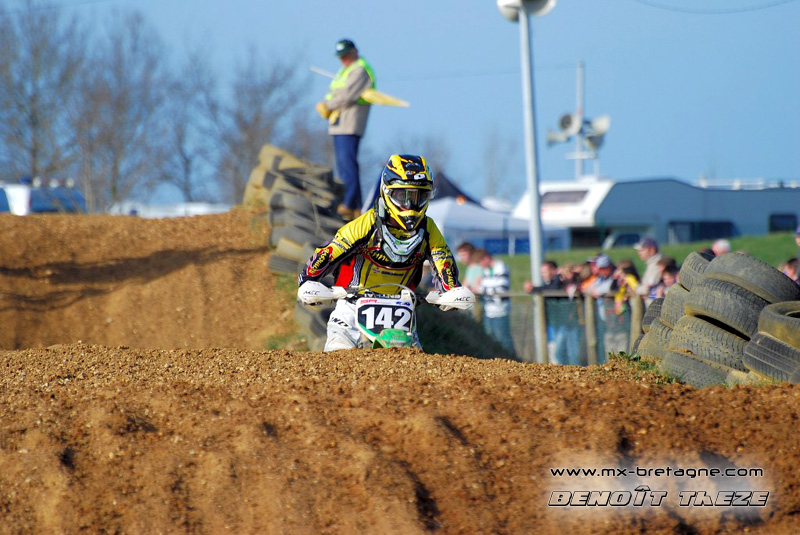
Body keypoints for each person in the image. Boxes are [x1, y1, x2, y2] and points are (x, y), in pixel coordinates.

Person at [297, 154, 471, 351]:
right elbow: (330, 251)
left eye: (419, 196)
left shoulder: (429, 230)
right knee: (338, 360)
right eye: (403, 196)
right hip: (352, 308)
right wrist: (308, 280)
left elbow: (444, 263)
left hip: (401, 313)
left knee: (413, 365)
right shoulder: (367, 224)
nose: (411, 205)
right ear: (387, 192)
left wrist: (451, 290)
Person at [315, 39, 376, 221]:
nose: (343, 60)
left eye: (345, 56)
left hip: (350, 124)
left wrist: (328, 105)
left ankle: (349, 203)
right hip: (340, 123)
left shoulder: (360, 71)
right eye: (340, 57)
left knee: (347, 164)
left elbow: (348, 95)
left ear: (354, 52)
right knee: (343, 165)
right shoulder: (346, 71)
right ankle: (355, 206)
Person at [473, 249, 515, 354]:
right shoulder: (486, 270)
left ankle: (510, 358)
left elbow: (501, 289)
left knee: (503, 338)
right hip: (489, 310)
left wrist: (479, 289)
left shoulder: (501, 267)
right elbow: (485, 286)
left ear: (486, 258)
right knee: (491, 339)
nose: (481, 266)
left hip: (500, 310)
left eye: (480, 263)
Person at [456, 241, 483, 321]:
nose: (461, 258)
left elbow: (476, 286)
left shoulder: (478, 267)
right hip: (471, 307)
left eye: (464, 255)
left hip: (478, 306)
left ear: (472, 253)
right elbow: (464, 285)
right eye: (460, 255)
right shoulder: (470, 268)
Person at [634, 237, 662, 304]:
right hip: (653, 302)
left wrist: (636, 289)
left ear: (652, 250)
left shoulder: (657, 264)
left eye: (642, 250)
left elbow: (648, 289)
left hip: (656, 305)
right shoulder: (651, 264)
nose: (639, 253)